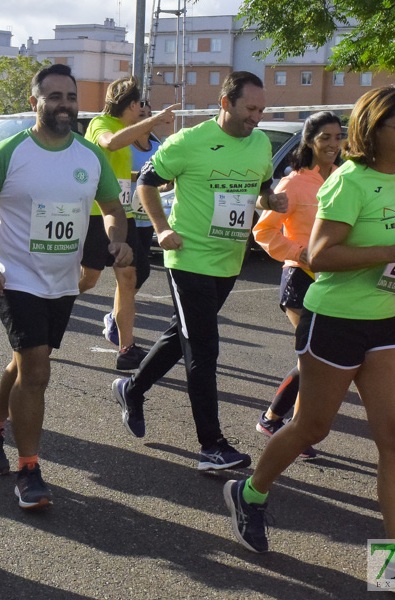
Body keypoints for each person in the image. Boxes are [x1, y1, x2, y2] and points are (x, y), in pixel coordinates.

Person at [224, 87, 395, 554]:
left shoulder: (394, 180)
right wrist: (389, 253)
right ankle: (249, 492)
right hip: (333, 320)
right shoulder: (347, 181)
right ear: (372, 128)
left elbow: (390, 246)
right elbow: (319, 255)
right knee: (311, 427)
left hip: (384, 323)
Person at [0, 63, 133, 510]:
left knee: (24, 364)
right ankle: (29, 470)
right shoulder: (10, 152)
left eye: (71, 97)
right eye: (54, 97)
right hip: (13, 278)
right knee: (37, 371)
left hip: (62, 281)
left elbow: (113, 206)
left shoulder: (89, 156)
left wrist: (116, 239)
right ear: (35, 103)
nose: (64, 105)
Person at [110, 71, 288, 470]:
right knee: (204, 349)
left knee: (181, 337)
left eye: (261, 109)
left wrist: (271, 200)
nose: (257, 117)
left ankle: (132, 389)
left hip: (229, 260)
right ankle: (211, 445)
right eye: (250, 109)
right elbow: (147, 183)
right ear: (226, 103)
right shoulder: (188, 142)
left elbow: (261, 186)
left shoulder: (259, 142)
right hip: (188, 257)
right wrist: (162, 228)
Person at [252, 111, 344, 460]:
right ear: (310, 141)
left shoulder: (342, 179)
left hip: (334, 282)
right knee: (314, 361)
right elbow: (264, 232)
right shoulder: (293, 183)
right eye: (326, 138)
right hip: (300, 279)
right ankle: (287, 426)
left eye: (338, 137)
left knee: (315, 360)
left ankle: (274, 418)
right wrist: (300, 253)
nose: (333, 144)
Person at [83, 78, 177, 370]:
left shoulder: (127, 130)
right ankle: (50, 307)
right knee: (89, 280)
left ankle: (126, 347)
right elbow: (110, 143)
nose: (142, 112)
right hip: (96, 216)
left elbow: (121, 175)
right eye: (140, 107)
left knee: (128, 278)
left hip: (124, 216)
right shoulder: (101, 124)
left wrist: (150, 183)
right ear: (132, 105)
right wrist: (155, 121)